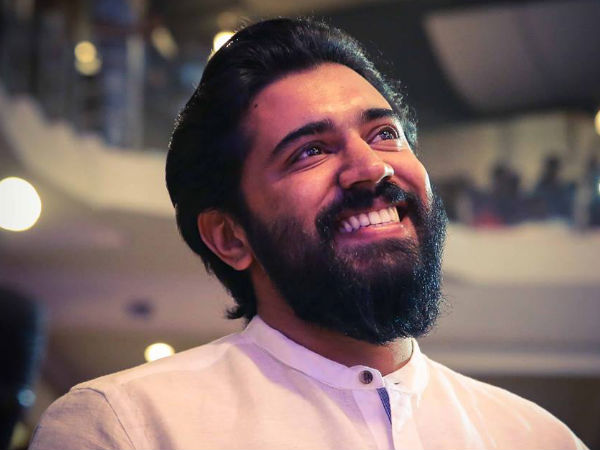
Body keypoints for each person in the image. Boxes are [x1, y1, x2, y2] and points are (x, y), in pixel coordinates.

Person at [30, 18, 586, 450]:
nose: (371, 167)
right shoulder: (126, 427)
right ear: (230, 237)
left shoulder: (536, 437)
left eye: (384, 133)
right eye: (310, 151)